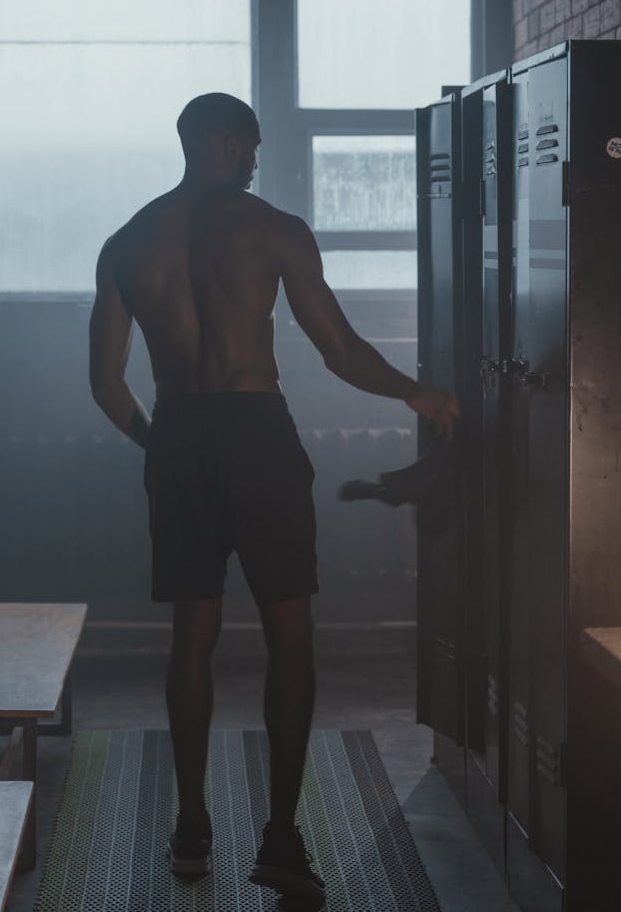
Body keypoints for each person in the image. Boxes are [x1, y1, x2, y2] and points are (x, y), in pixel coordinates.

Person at [89, 92, 460, 908]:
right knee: (291, 630)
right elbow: (338, 349)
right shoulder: (274, 229)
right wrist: (414, 393)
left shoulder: (128, 240)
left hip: (181, 430)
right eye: (251, 146)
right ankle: (283, 839)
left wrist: (163, 446)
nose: (256, 161)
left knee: (193, 632)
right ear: (224, 144)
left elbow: (107, 383)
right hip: (256, 431)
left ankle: (192, 829)